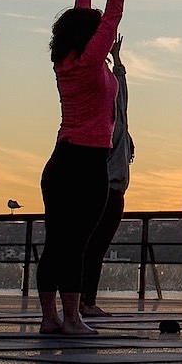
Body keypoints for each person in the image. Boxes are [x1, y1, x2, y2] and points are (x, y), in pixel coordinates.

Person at [39, 0, 132, 335]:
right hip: (87, 164)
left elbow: (83, 18)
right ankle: (73, 317)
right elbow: (110, 18)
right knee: (76, 243)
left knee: (57, 242)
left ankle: (50, 319)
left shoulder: (67, 60)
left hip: (61, 162)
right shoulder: (92, 61)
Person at [80, 36, 134, 317]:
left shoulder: (116, 118)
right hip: (108, 189)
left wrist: (117, 59)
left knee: (93, 247)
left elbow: (121, 94)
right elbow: (120, 96)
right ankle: (85, 301)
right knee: (94, 247)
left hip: (112, 188)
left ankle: (84, 300)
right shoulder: (106, 124)